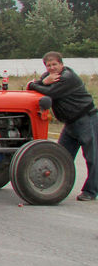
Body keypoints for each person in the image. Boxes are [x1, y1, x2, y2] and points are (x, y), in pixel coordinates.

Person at [27, 51, 98, 201]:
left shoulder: (68, 77)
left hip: (86, 119)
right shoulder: (48, 77)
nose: (52, 68)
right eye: (49, 65)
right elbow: (41, 88)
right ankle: (53, 186)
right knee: (60, 156)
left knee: (92, 157)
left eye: (55, 64)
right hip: (70, 123)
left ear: (61, 64)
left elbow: (50, 92)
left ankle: (91, 191)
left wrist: (34, 84)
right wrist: (41, 83)